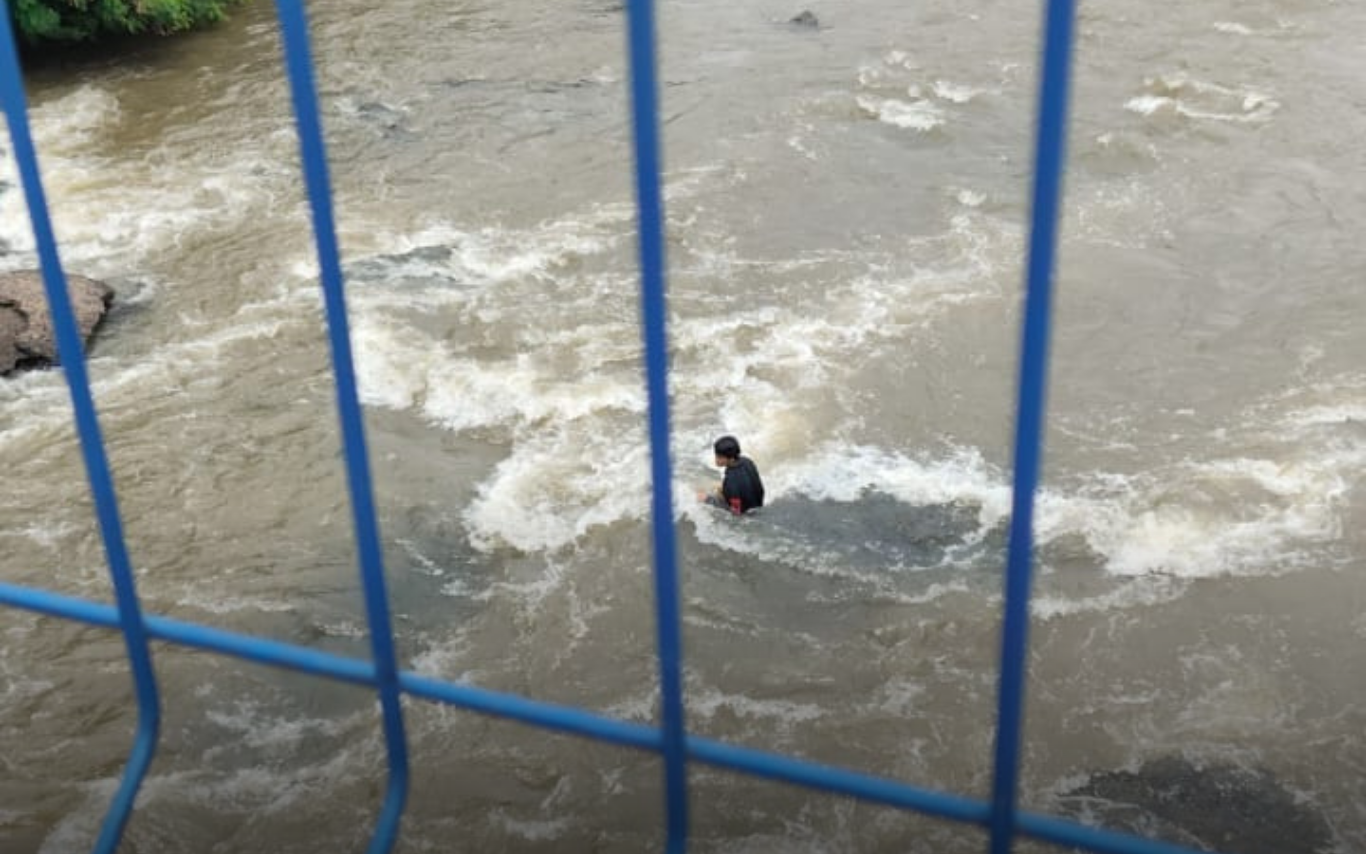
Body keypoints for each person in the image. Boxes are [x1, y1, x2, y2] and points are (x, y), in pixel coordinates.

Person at [697, 435, 765, 515]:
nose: (716, 459)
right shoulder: (747, 461)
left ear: (731, 459)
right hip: (757, 504)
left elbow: (736, 512)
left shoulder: (731, 482)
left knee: (701, 497)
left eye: (719, 457)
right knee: (719, 489)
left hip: (745, 513)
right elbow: (760, 489)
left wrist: (708, 500)